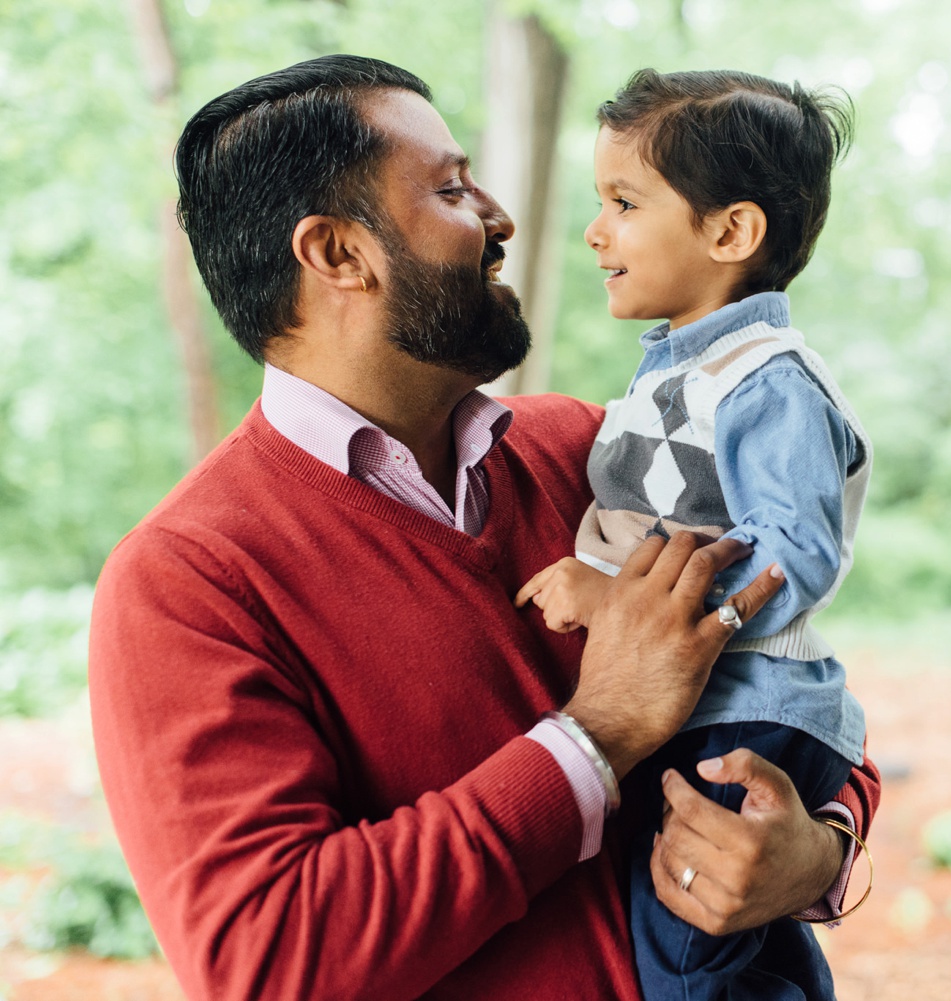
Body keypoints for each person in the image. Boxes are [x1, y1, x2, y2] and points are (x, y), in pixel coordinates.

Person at [87, 54, 878, 1001]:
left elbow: (790, 699)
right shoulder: (186, 581)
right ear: (339, 254)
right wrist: (599, 733)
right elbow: (271, 957)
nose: (501, 218)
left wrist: (820, 855)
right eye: (454, 189)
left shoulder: (594, 451)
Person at [513, 69, 870, 1001]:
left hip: (749, 709)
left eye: (624, 203)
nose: (596, 231)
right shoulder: (679, 368)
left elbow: (797, 549)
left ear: (730, 232)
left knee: (678, 964)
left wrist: (617, 600)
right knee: (725, 944)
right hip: (712, 703)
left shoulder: (768, 379)